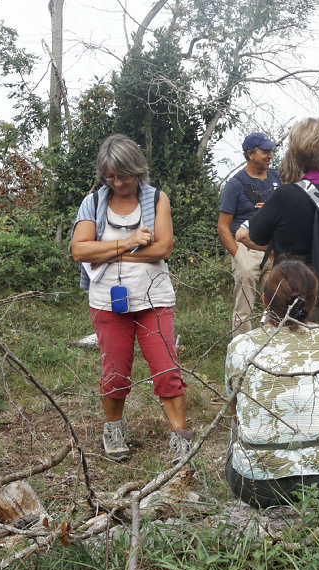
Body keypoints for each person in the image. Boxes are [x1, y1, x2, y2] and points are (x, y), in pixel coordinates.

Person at [70, 134, 191, 462]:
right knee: (115, 371)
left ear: (137, 170)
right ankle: (113, 430)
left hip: (154, 298)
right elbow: (80, 249)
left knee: (166, 368)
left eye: (122, 174)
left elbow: (163, 248)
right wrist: (130, 243)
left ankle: (180, 435)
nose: (117, 182)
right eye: (110, 176)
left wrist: (108, 253)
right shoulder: (93, 202)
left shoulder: (156, 199)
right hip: (108, 302)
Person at [224, 259, 319, 507]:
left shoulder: (241, 346)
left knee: (238, 426)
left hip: (256, 486)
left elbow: (237, 418)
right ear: (314, 301)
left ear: (264, 301)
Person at [234, 117, 319, 332]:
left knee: (295, 360)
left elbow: (244, 236)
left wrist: (275, 249)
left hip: (298, 303)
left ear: (296, 158)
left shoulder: (287, 195)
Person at [217, 132, 282, 334]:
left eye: (271, 151)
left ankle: (274, 350)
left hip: (275, 249)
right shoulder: (235, 185)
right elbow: (222, 226)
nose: (270, 155)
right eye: (265, 151)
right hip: (246, 248)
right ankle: (241, 355)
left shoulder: (278, 177)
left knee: (279, 304)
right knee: (244, 308)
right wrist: (238, 256)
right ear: (250, 154)